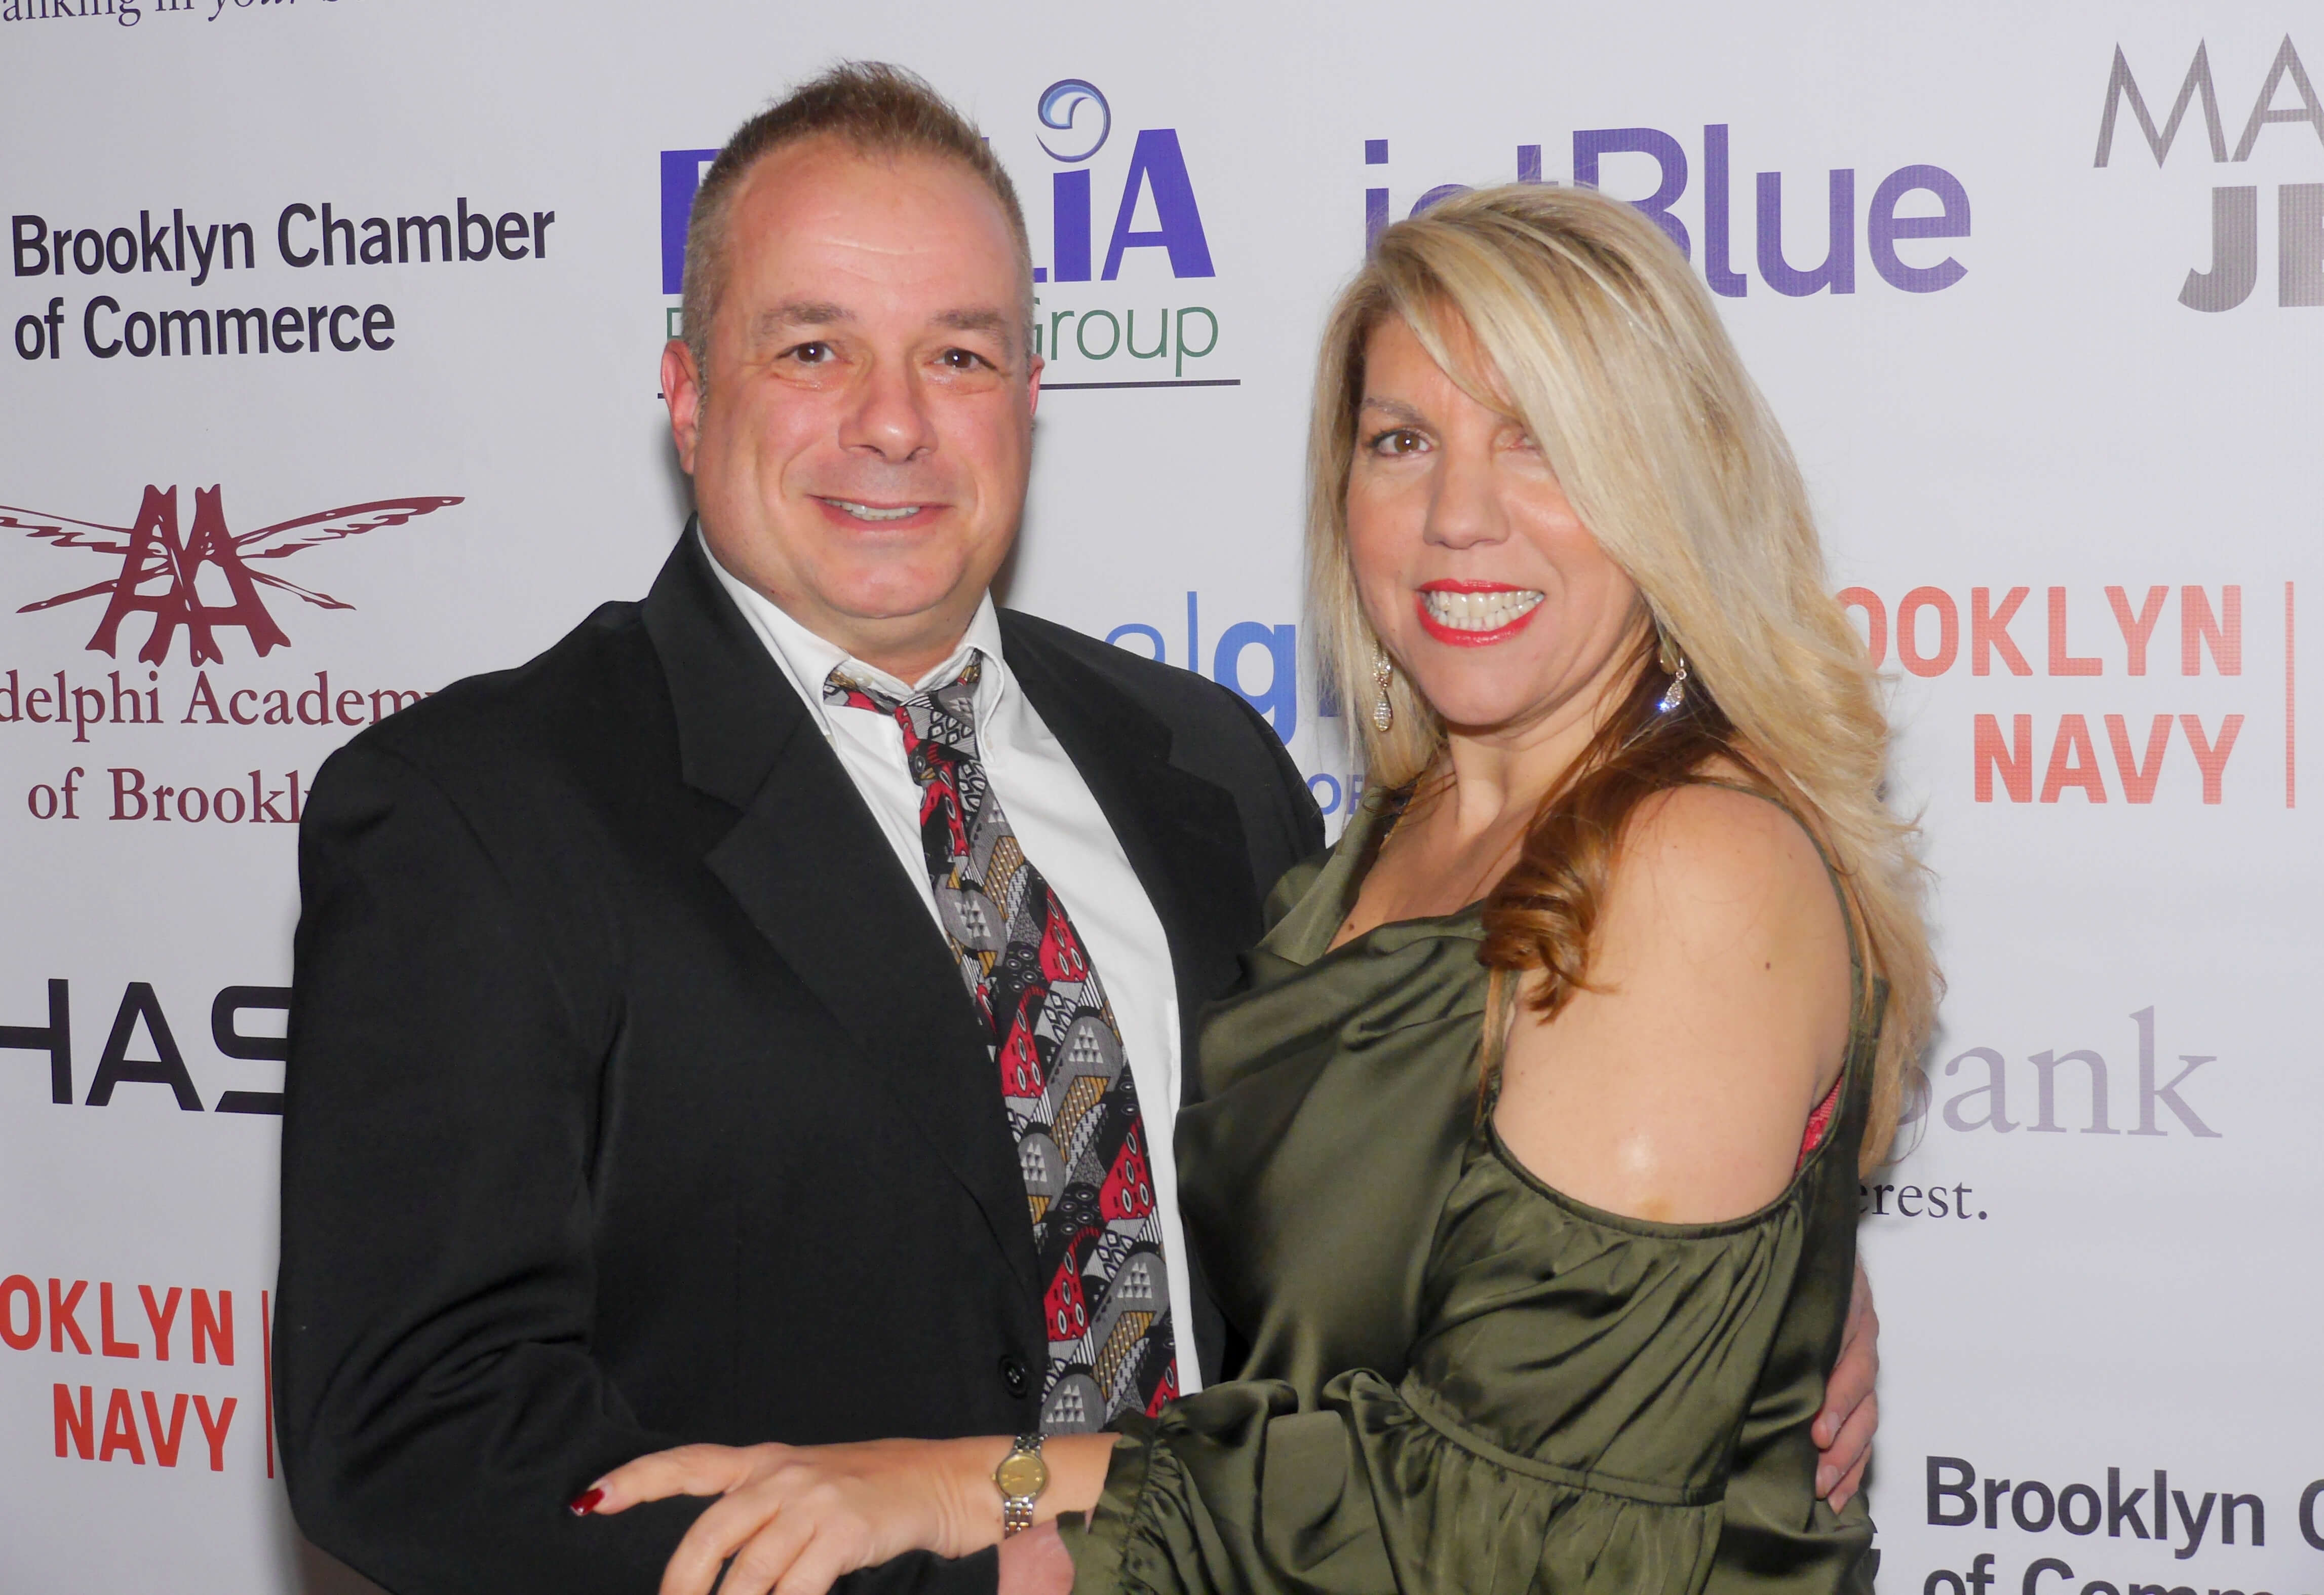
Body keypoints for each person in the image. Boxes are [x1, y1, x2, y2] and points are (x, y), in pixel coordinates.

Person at [274, 63, 1879, 1595]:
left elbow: (1410, 1204)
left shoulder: (1200, 762)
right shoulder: (478, 813)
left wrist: (1724, 1293)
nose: (893, 423)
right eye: (813, 349)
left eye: (958, 357)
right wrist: (956, 1578)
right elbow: (411, 1433)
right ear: (689, 396)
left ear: (1030, 400)